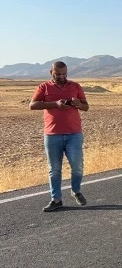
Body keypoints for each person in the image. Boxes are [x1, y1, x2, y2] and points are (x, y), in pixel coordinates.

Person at [30, 61, 90, 212]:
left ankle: (76, 191)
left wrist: (77, 104)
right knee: (54, 169)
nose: (61, 76)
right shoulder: (44, 87)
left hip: (74, 134)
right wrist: (55, 104)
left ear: (67, 72)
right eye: (58, 74)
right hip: (52, 135)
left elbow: (86, 107)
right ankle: (56, 199)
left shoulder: (75, 86)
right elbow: (33, 105)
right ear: (51, 72)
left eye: (64, 74)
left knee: (77, 166)